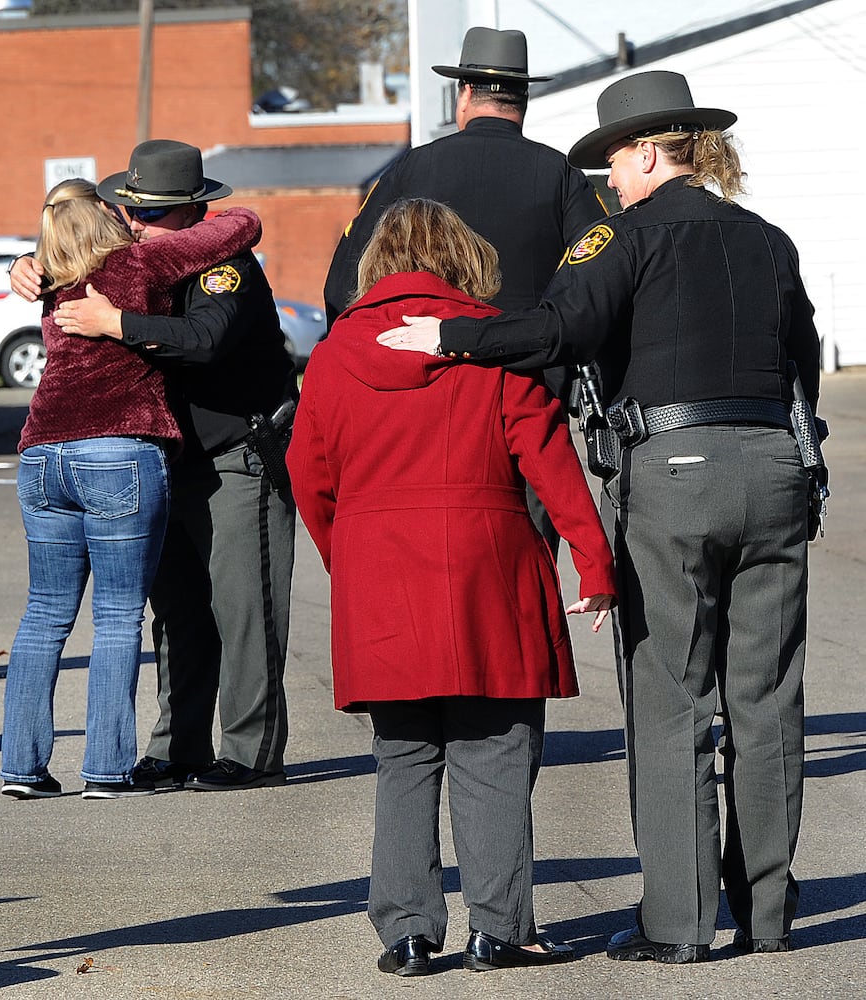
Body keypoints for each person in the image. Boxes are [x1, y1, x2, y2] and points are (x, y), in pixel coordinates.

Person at [377, 72, 821, 962]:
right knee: (767, 700)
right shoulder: (769, 239)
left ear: (649, 152)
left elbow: (557, 331)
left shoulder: (621, 237)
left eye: (614, 161)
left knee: (670, 702)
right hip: (776, 468)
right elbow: (801, 353)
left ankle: (681, 924)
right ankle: (767, 915)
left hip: (674, 471)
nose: (607, 181)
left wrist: (449, 337)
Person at [287, 198, 616, 976]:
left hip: (379, 564)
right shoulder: (487, 346)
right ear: (464, 260)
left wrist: (349, 557)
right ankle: (500, 929)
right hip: (486, 562)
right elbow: (548, 457)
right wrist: (593, 563)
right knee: (495, 749)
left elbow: (307, 472)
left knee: (403, 756)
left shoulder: (334, 354)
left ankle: (405, 931)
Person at [11, 140, 297, 792]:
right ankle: (178, 748)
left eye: (151, 213)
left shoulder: (223, 266)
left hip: (233, 459)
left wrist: (118, 322)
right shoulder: (137, 262)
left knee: (244, 609)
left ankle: (250, 754)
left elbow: (202, 341)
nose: (133, 222)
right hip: (161, 464)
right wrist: (23, 265)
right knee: (176, 613)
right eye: (129, 208)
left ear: (192, 212)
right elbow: (67, 270)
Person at [324, 26, 607, 554]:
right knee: (527, 573)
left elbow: (344, 286)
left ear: (464, 95)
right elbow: (599, 287)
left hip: (425, 401)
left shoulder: (412, 168)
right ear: (523, 101)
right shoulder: (561, 175)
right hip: (529, 397)